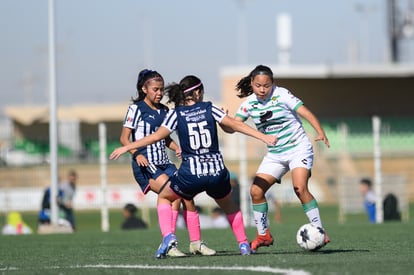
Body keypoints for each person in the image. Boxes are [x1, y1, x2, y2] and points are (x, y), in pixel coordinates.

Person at [110, 75, 277, 258]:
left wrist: (128, 146)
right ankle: (243, 244)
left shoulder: (175, 113)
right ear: (198, 92)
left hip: (192, 175)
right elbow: (235, 125)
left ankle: (170, 237)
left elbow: (157, 136)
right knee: (230, 205)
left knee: (166, 196)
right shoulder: (210, 108)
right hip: (217, 172)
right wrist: (264, 137)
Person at [233, 65, 330, 253]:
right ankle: (264, 235)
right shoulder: (248, 104)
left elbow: (306, 112)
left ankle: (320, 231)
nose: (262, 90)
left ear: (272, 84)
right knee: (255, 191)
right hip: (275, 154)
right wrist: (224, 121)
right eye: (258, 85)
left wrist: (320, 131)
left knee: (299, 188)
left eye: (266, 86)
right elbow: (234, 125)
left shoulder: (282, 95)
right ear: (252, 83)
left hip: (298, 148)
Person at [119, 69, 215, 257]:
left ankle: (195, 243)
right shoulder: (136, 109)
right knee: (172, 193)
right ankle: (169, 242)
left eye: (161, 89)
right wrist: (136, 153)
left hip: (165, 163)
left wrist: (177, 148)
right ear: (144, 89)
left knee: (186, 196)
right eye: (155, 89)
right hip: (146, 164)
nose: (159, 93)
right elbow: (124, 138)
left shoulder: (164, 111)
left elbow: (165, 139)